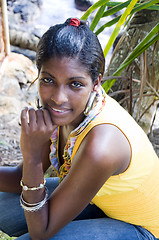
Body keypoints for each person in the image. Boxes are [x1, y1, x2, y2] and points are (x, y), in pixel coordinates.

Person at [0, 17, 159, 240]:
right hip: (100, 202)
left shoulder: (102, 144)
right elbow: (20, 177)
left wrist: (33, 157)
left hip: (143, 229)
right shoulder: (62, 114)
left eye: (75, 84)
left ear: (96, 83)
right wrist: (33, 159)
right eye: (48, 80)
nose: (58, 97)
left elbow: (40, 232)